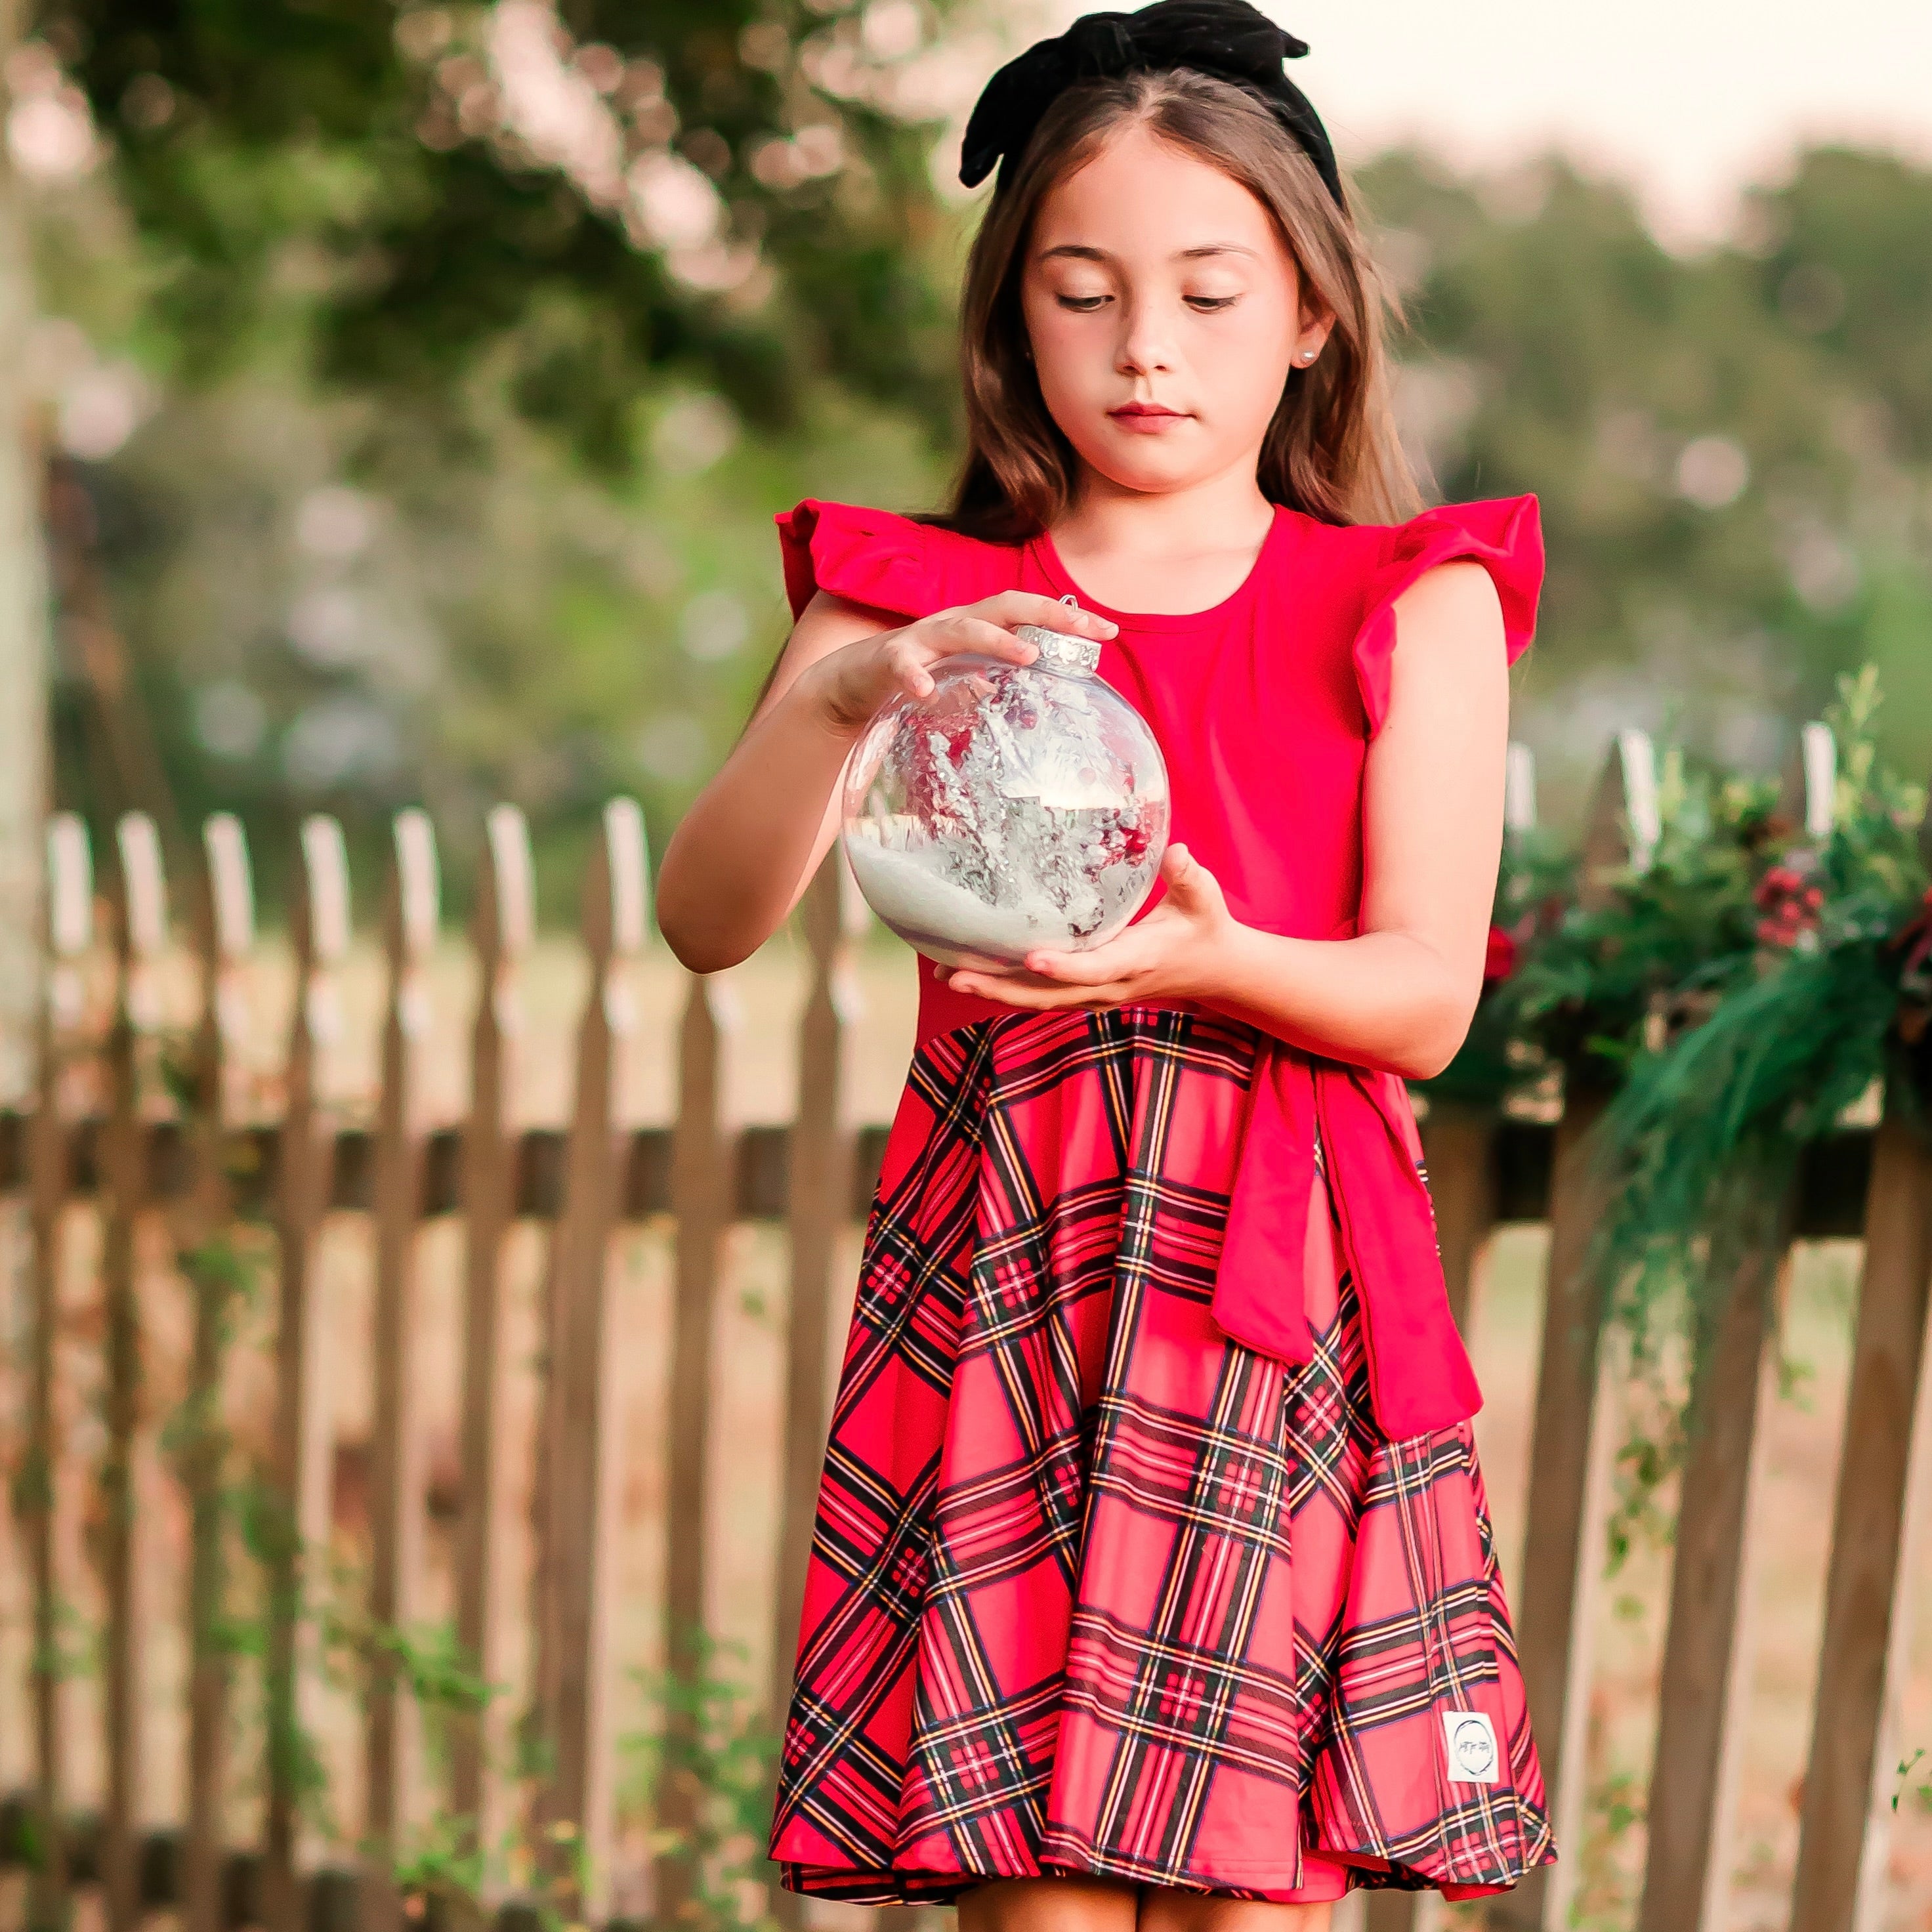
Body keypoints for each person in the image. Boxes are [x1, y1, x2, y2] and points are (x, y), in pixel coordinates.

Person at [656, 2, 1555, 1922]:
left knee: (1255, 1892)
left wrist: (1209, 966)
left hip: (1273, 1296)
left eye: (1212, 292)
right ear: (1012, 320)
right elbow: (705, 921)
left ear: (1310, 311)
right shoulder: (905, 605)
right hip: (1010, 1272)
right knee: (1029, 1893)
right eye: (1083, 290)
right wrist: (839, 704)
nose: (1148, 344)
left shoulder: (1412, 602)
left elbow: (1425, 997)